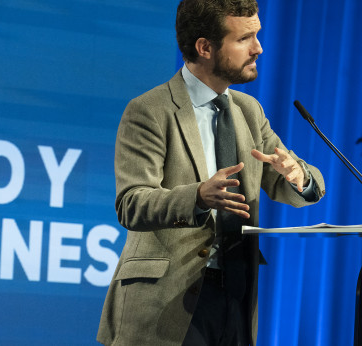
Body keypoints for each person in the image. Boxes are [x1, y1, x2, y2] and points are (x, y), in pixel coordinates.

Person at [96, 0, 326, 345]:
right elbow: (132, 203)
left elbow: (303, 185)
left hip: (236, 298)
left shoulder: (249, 111)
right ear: (205, 47)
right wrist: (199, 196)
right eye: (245, 38)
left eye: (257, 36)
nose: (258, 48)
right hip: (164, 303)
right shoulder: (150, 110)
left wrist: (299, 177)